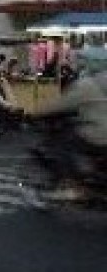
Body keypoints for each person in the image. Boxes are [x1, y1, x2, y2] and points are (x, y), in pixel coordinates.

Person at [32, 50, 107, 200]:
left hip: (98, 133)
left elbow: (61, 104)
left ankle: (70, 185)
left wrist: (36, 112)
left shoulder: (88, 84)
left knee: (61, 143)